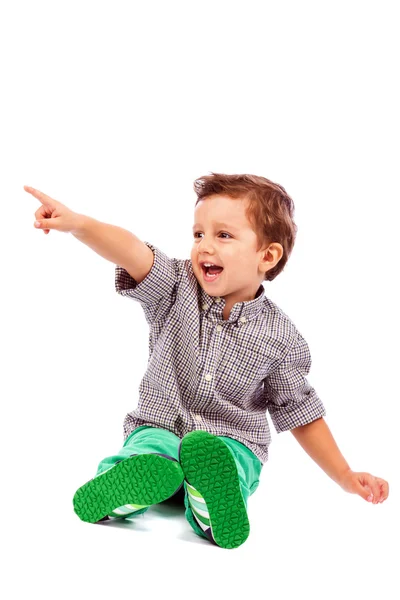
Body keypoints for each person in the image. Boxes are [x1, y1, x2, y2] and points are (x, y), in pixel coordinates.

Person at [24, 173, 389, 550]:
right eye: (198, 234)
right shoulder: (175, 285)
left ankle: (211, 507)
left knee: (232, 460)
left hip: (233, 439)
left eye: (223, 235)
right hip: (161, 425)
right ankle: (122, 491)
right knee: (150, 448)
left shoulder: (282, 338)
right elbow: (131, 250)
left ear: (268, 255)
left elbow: (301, 413)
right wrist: (78, 224)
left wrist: (345, 475)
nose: (204, 247)